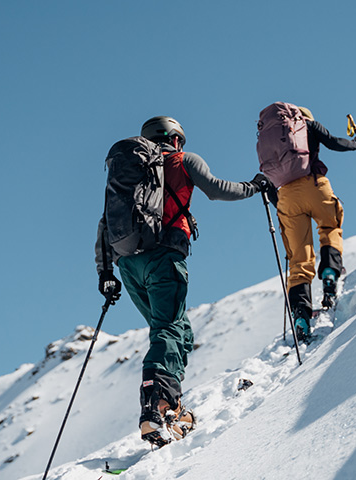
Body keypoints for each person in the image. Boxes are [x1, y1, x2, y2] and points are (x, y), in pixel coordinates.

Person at [95, 116, 265, 447]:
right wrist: (255, 186)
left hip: (128, 265)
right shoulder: (181, 159)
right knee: (169, 330)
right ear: (176, 139)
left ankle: (170, 405)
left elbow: (104, 224)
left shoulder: (128, 174)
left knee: (179, 332)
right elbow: (217, 191)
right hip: (163, 257)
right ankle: (156, 407)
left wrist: (105, 274)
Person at [267, 106, 356, 342]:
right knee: (330, 226)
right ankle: (330, 273)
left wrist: (282, 205)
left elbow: (269, 181)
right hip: (315, 184)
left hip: (287, 197)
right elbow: (333, 142)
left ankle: (301, 316)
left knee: (299, 259)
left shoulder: (273, 139)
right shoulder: (309, 124)